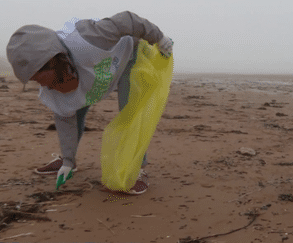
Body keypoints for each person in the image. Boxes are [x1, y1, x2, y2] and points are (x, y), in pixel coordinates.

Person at [6, 11, 173, 195]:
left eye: (40, 77)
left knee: (130, 111)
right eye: (35, 81)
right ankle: (68, 161)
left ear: (53, 61)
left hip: (127, 58)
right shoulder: (52, 87)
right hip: (91, 77)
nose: (43, 85)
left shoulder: (90, 39)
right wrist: (68, 162)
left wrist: (159, 38)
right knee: (73, 109)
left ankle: (136, 170)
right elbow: (65, 117)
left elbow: (128, 20)